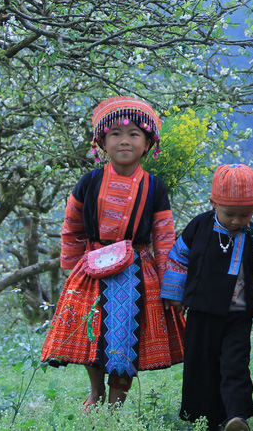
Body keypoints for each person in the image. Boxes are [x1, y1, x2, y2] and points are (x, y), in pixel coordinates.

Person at [41, 96, 186, 408]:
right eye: (116, 134)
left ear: (148, 144)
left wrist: (171, 283)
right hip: (92, 270)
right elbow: (72, 225)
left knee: (126, 338)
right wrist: (71, 266)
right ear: (102, 143)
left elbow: (164, 238)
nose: (125, 141)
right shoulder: (89, 181)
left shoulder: (154, 187)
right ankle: (96, 391)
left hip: (137, 273)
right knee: (93, 336)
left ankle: (117, 401)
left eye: (134, 134)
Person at [160, 163, 253, 431]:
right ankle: (207, 420)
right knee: (202, 365)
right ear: (214, 204)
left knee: (235, 365)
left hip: (237, 317)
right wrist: (175, 295)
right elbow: (177, 260)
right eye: (230, 214)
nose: (237, 221)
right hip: (201, 312)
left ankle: (237, 417)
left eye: (245, 214)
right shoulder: (199, 227)